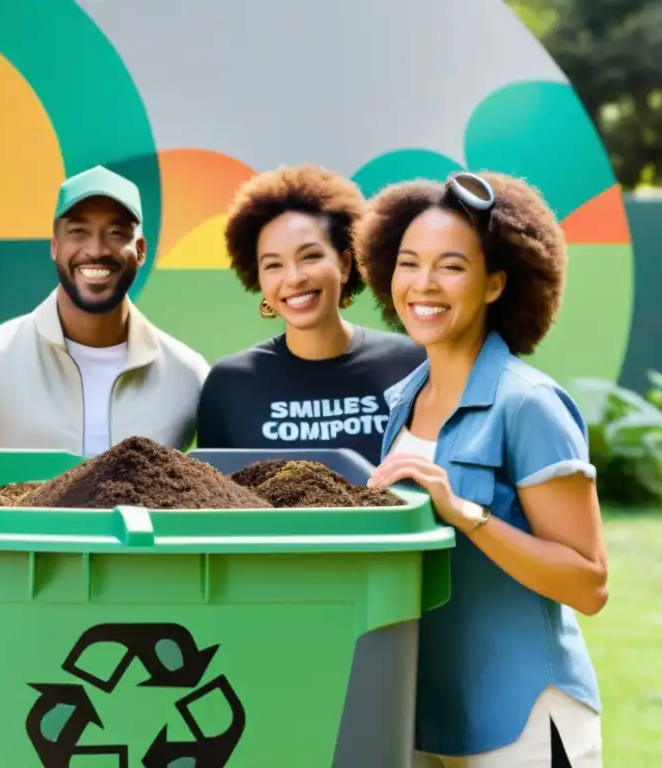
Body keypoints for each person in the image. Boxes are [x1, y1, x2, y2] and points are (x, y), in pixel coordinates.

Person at [356, 171, 607, 767]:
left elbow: (589, 584)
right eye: (409, 263)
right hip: (423, 718)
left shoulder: (529, 404)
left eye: (451, 266)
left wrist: (466, 513)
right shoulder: (403, 403)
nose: (423, 284)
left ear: (495, 283)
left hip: (521, 720)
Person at [0, 164, 210, 455]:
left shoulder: (188, 376)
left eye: (116, 232)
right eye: (79, 231)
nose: (96, 249)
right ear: (54, 247)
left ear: (141, 250)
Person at [195, 164, 426, 466]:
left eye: (310, 257)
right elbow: (215, 504)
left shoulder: (412, 364)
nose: (293, 278)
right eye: (273, 265)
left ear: (345, 264)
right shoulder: (229, 383)